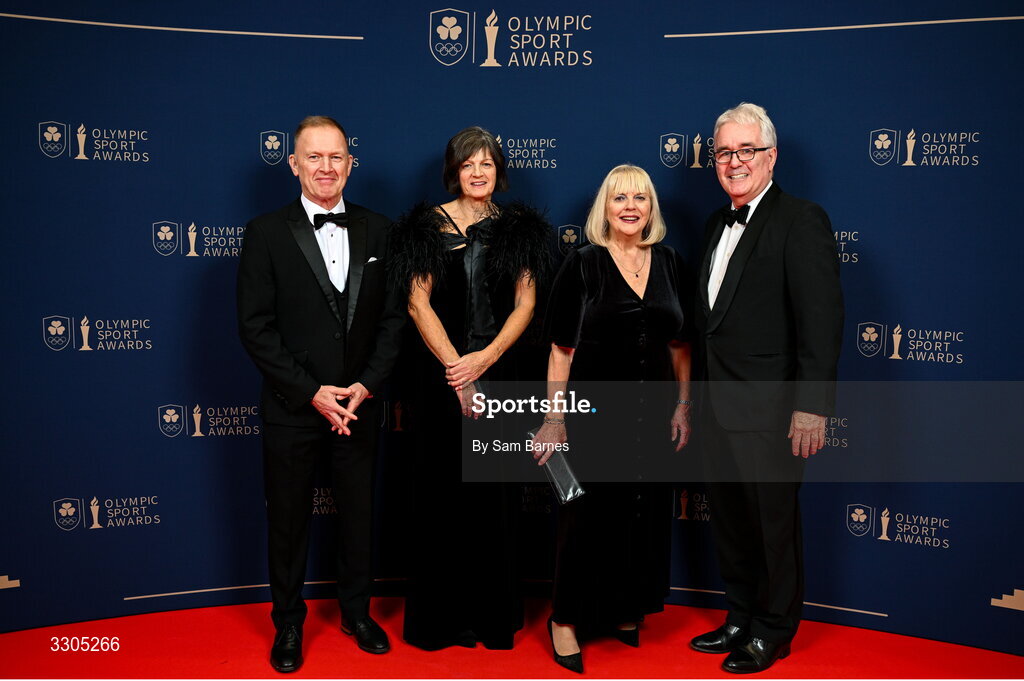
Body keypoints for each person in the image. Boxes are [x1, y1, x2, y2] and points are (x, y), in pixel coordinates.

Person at [237, 115, 404, 672]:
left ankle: (357, 613)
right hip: (293, 407)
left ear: (350, 163)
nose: (326, 167)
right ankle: (288, 624)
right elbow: (255, 328)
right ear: (294, 164)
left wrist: (366, 385)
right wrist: (312, 392)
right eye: (314, 157)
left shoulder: (381, 230)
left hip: (358, 406)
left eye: (336, 157)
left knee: (358, 517)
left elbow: (393, 321)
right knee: (287, 523)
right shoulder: (265, 232)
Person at [689, 102, 843, 673]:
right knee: (731, 521)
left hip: (773, 411)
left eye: (746, 150)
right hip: (716, 404)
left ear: (771, 156)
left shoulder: (801, 220)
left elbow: (821, 321)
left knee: (772, 525)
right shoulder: (714, 224)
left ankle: (774, 630)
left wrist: (812, 407)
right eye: (724, 152)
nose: (734, 162)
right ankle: (740, 616)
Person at [390, 126, 550, 651]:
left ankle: (490, 615)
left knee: (494, 497)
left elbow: (526, 304)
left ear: (498, 170)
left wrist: (486, 359)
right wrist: (459, 370)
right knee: (441, 496)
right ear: (453, 171)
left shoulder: (520, 228)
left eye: (486, 163)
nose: (477, 172)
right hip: (441, 378)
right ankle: (440, 621)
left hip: (500, 374)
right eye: (467, 164)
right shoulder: (425, 226)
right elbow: (417, 303)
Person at [532, 164, 693, 673]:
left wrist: (684, 404)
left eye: (639, 198)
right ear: (605, 207)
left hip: (653, 417)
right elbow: (560, 350)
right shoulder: (583, 263)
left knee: (639, 515)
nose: (630, 207)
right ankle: (565, 619)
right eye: (620, 198)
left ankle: (624, 606)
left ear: (651, 208)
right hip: (593, 418)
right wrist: (554, 420)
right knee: (583, 520)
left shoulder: (670, 262)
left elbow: (681, 344)